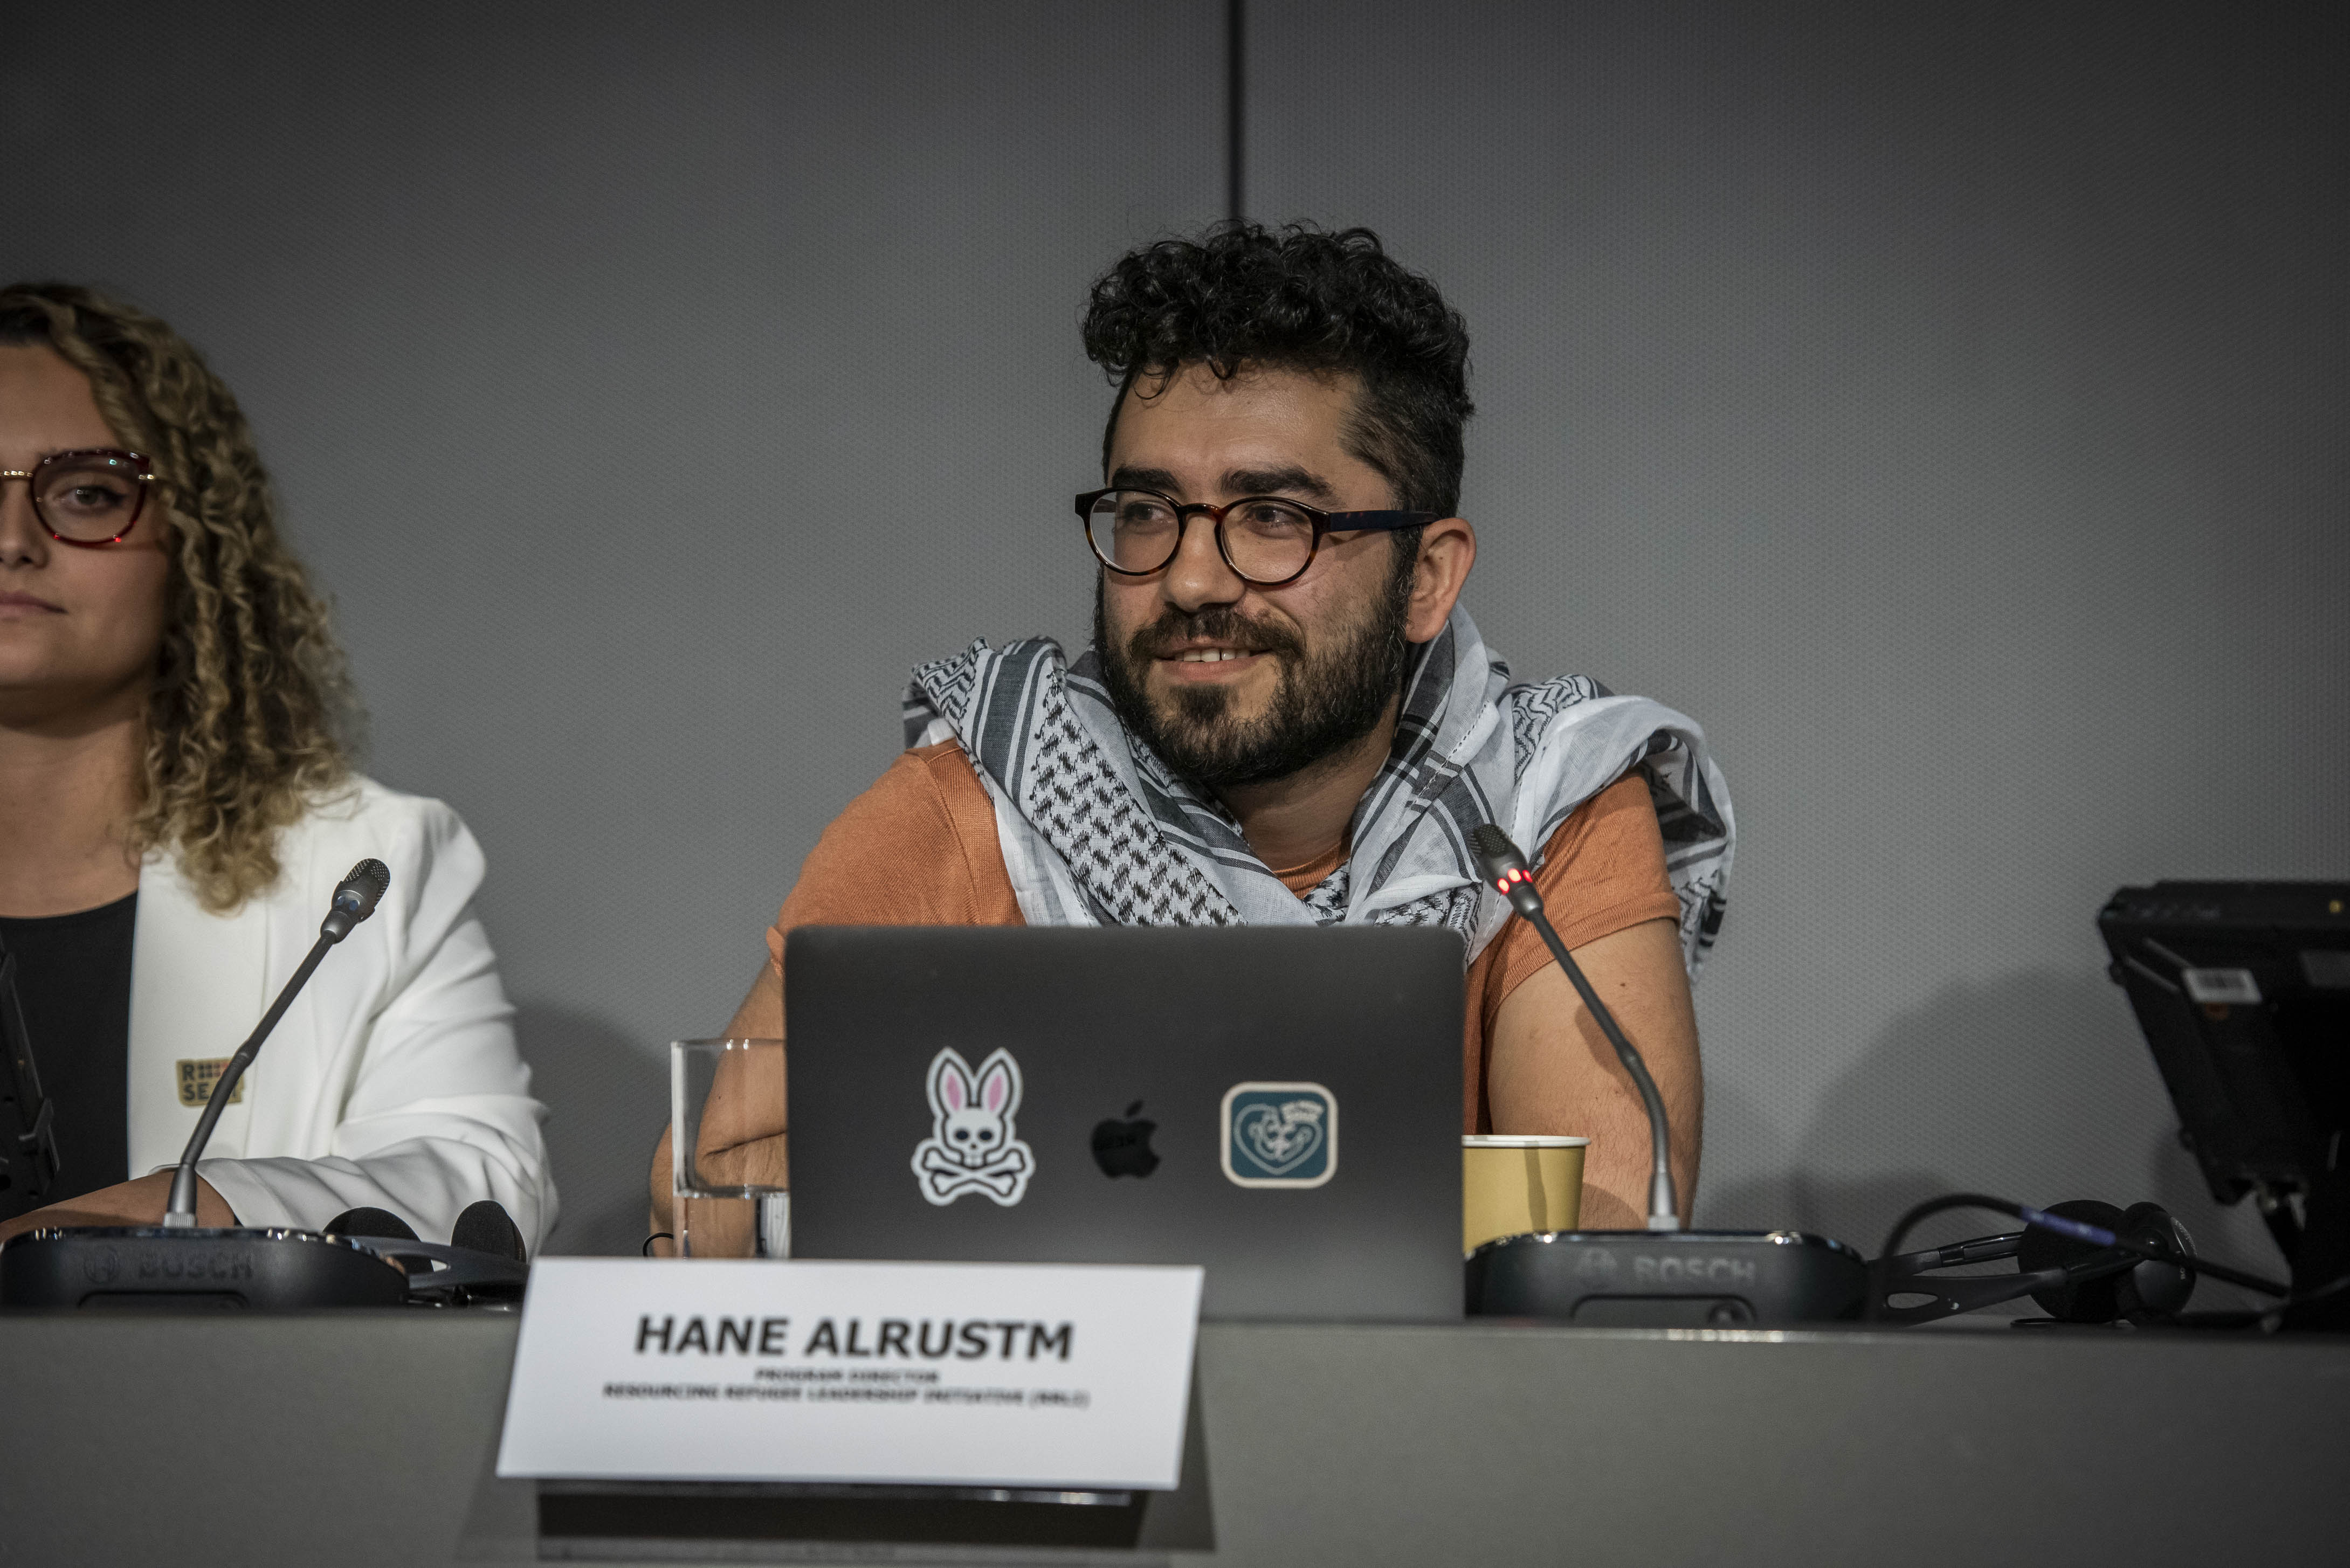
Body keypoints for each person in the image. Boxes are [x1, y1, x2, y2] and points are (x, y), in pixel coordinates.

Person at [649, 222, 1731, 1243]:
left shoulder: (1538, 815)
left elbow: (1595, 1234)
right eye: (1147, 512)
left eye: (1274, 518)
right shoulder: (986, 792)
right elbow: (709, 1186)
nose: (1191, 579)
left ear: (1427, 578)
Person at [0, 282, 555, 1249]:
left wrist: (118, 1227)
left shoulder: (370, 863)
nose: (12, 541)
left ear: (196, 544)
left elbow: (480, 1180)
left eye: (87, 493)